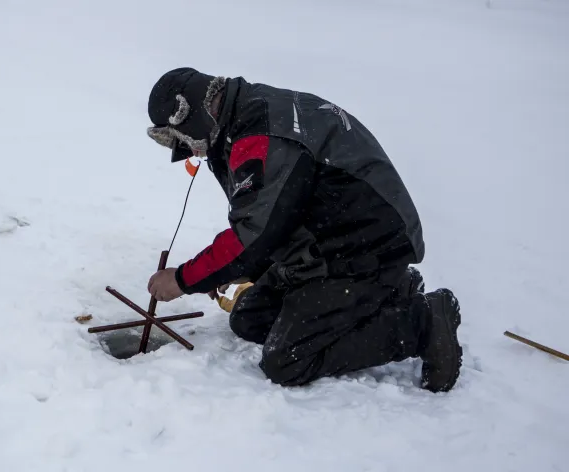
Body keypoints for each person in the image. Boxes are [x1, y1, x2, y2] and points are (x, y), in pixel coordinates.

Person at [145, 67, 462, 393]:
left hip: (358, 249)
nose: (188, 151)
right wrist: (235, 268)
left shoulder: (261, 134)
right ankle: (393, 288)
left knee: (287, 360)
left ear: (194, 113)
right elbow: (271, 216)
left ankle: (421, 322)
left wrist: (183, 279)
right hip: (323, 244)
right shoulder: (240, 119)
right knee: (249, 319)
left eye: (183, 140)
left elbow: (252, 235)